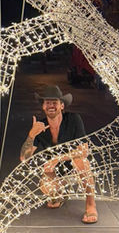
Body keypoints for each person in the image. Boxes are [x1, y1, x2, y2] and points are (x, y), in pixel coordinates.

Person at [20, 85, 98, 223]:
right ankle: (60, 194)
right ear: (43, 106)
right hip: (55, 171)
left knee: (81, 161)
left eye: (54, 102)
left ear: (62, 106)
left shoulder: (73, 119)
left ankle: (90, 205)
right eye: (47, 102)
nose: (51, 105)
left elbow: (84, 150)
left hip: (75, 168)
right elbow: (24, 158)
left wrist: (58, 158)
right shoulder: (40, 126)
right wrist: (31, 135)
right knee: (47, 187)